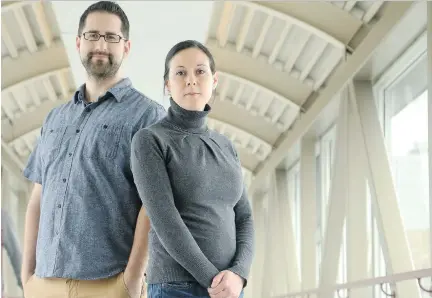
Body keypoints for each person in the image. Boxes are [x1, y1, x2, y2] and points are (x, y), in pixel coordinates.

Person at [21, 1, 165, 298]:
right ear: (78, 42)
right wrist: (26, 275)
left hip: (107, 284)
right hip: (44, 285)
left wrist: (132, 279)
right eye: (92, 35)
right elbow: (37, 198)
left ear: (126, 47)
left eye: (112, 37)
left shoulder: (148, 116)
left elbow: (154, 203)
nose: (101, 44)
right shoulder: (54, 118)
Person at [130, 40, 255, 298]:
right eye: (180, 73)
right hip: (176, 288)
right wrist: (214, 281)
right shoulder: (150, 140)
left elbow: (244, 217)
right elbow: (164, 220)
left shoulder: (226, 146)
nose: (191, 80)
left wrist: (239, 274)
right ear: (167, 85)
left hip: (230, 289)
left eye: (200, 71)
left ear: (214, 80)